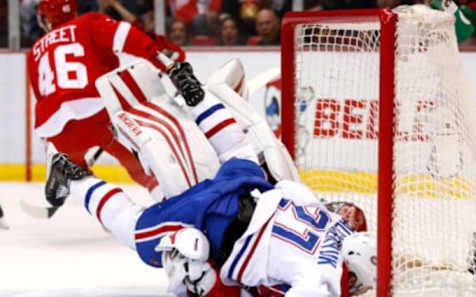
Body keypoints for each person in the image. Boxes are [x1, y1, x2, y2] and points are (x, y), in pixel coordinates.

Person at [44, 63, 376, 296]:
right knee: (136, 230)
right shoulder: (328, 276)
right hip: (221, 221)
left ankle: (197, 96)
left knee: (238, 150)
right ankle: (72, 177)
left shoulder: (334, 222)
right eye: (357, 284)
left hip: (253, 187)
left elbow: (289, 188)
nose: (355, 290)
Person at [27, 0, 185, 201]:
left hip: (57, 129)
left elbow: (42, 98)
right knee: (140, 169)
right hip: (99, 112)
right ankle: (170, 203)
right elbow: (129, 37)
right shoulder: (89, 22)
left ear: (45, 18)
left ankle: (111, 210)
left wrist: (52, 144)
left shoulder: (35, 51)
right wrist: (164, 61)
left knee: (80, 177)